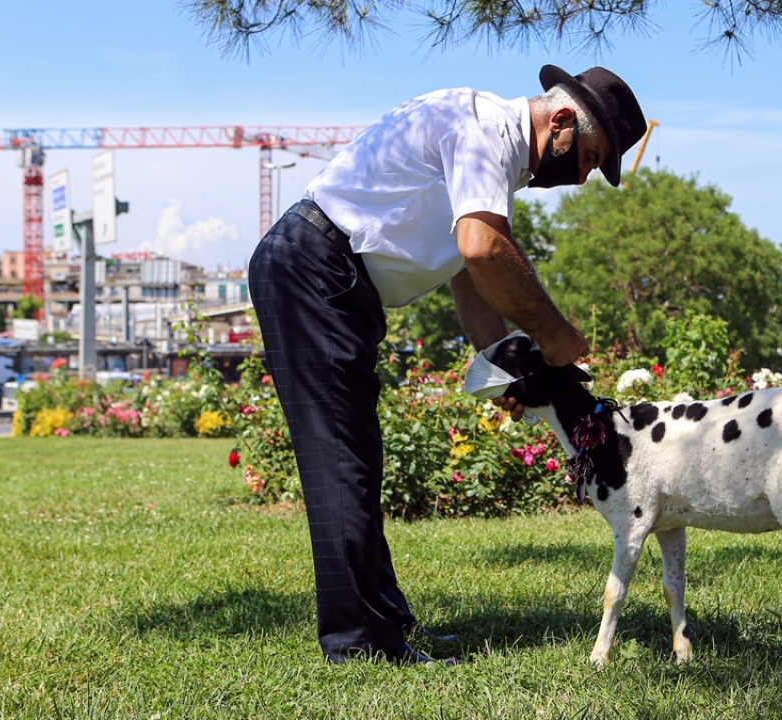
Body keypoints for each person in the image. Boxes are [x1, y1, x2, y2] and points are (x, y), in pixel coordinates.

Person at [248, 65, 647, 665]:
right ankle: (359, 644)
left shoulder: (496, 156)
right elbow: (482, 250)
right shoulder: (484, 128)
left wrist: (506, 364)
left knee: (357, 457)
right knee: (341, 460)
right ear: (562, 121)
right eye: (589, 158)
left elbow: (467, 274)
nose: (582, 176)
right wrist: (554, 333)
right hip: (313, 269)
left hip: (330, 277)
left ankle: (385, 624)